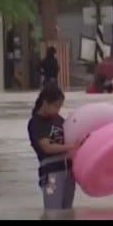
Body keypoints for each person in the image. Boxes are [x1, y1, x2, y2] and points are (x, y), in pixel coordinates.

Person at [27, 82, 79, 210]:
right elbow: (47, 147)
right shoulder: (36, 123)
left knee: (66, 213)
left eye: (60, 107)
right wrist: (71, 146)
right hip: (51, 176)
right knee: (52, 212)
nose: (58, 110)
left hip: (69, 174)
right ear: (45, 103)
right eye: (56, 106)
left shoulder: (58, 120)